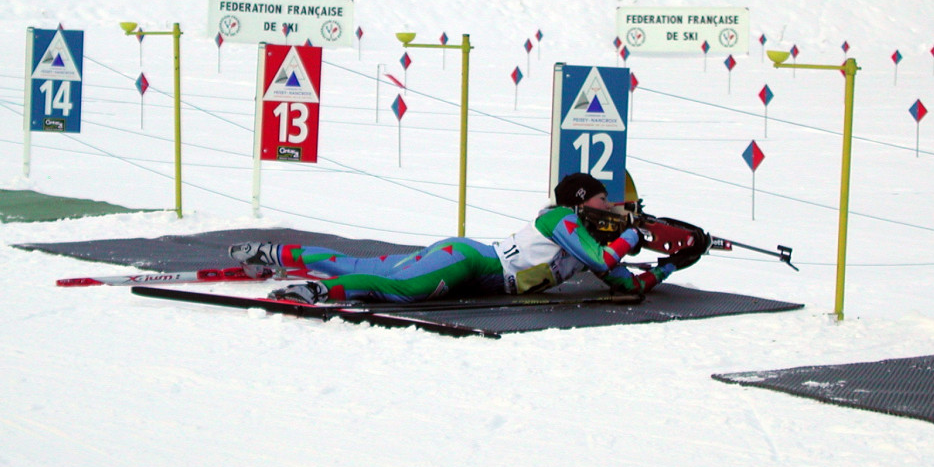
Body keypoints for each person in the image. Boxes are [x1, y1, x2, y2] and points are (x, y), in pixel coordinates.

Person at [228, 172, 702, 304]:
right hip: (473, 261)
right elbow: (603, 259)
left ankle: (273, 253)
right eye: (604, 201)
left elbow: (625, 285)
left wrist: (672, 264)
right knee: (402, 290)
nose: (613, 208)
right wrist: (633, 236)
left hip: (473, 266)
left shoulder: (589, 240)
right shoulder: (560, 219)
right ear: (581, 202)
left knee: (361, 266)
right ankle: (315, 290)